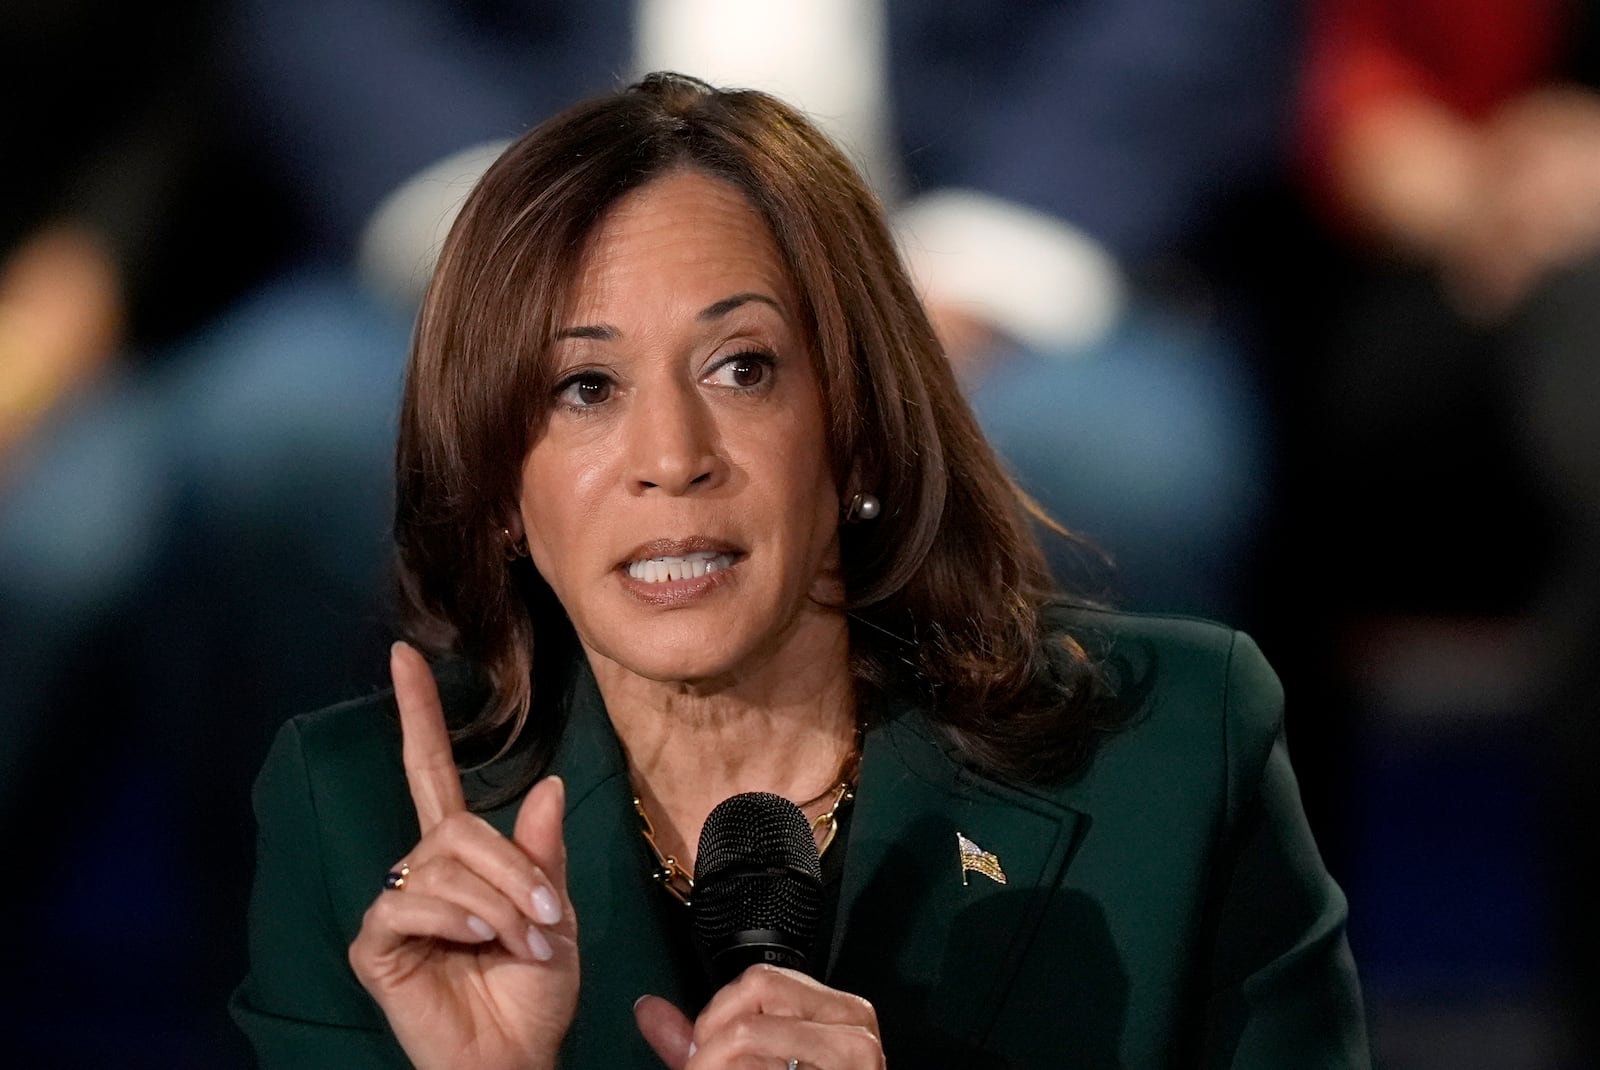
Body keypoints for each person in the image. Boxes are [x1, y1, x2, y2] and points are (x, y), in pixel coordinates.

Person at [231, 74, 1368, 1067]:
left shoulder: (1171, 757)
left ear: (859, 428)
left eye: (742, 367)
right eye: (585, 388)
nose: (672, 459)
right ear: (493, 485)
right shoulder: (356, 825)